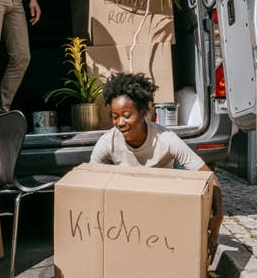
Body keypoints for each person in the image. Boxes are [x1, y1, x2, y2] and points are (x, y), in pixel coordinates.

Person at [90, 72, 224, 260]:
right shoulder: (107, 143)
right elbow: (88, 185)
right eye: (115, 117)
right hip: (125, 218)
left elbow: (209, 178)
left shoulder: (166, 139)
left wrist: (217, 217)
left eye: (127, 115)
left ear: (143, 112)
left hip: (163, 216)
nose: (120, 123)